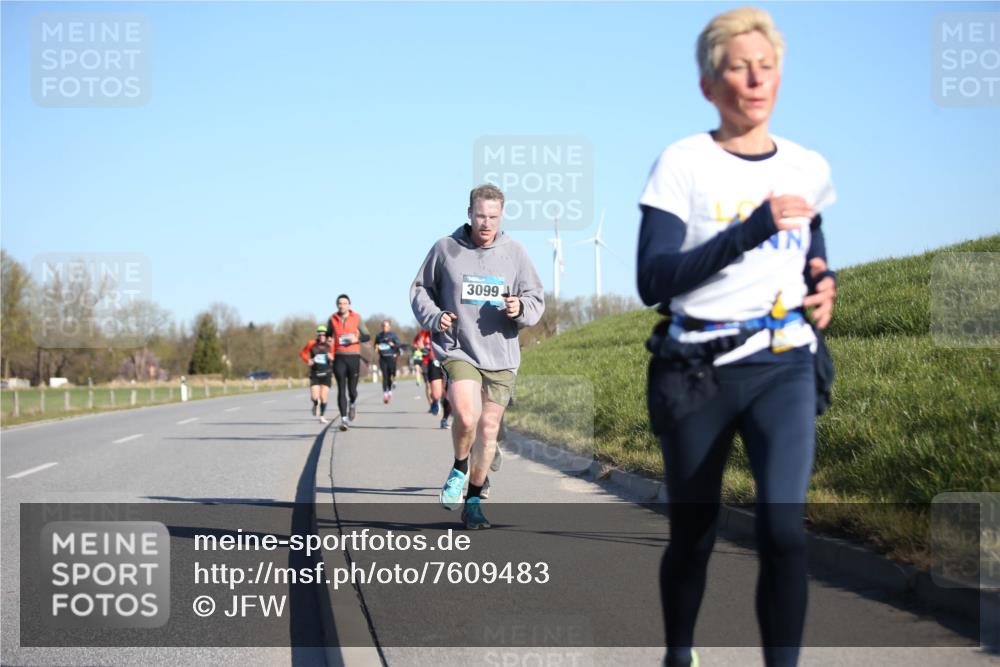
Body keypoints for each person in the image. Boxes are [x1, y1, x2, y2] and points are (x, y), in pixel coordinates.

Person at [636, 8, 837, 667]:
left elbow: (811, 244)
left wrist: (821, 280)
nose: (755, 79)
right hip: (697, 369)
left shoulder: (806, 165)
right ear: (708, 85)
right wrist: (748, 228)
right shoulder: (683, 163)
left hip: (783, 362)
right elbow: (653, 278)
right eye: (737, 68)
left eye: (767, 66)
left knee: (784, 529)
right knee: (694, 532)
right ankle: (679, 652)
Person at [410, 183, 544, 530]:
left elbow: (535, 299)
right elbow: (420, 289)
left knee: (488, 430)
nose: (487, 224)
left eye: (493, 218)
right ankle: (458, 467)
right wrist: (434, 316)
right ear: (469, 213)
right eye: (481, 216)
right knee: (467, 418)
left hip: (501, 355)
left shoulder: (515, 252)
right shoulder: (446, 248)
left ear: (502, 217)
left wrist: (520, 308)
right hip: (459, 348)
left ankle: (473, 500)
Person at [326, 294, 371, 431]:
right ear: (337, 305)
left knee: (352, 390)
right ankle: (344, 420)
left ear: (349, 305)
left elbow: (367, 336)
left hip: (353, 356)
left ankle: (353, 403)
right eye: (340, 303)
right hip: (339, 356)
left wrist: (355, 340)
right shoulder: (332, 319)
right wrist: (329, 341)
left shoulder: (357, 318)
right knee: (341, 388)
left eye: (344, 303)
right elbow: (328, 334)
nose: (342, 306)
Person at [299, 325, 335, 423]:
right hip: (315, 373)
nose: (322, 336)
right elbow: (302, 353)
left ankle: (322, 416)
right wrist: (307, 360)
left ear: (326, 335)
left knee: (323, 397)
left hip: (327, 373)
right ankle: (315, 404)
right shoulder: (311, 343)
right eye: (320, 334)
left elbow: (336, 357)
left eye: (324, 334)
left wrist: (332, 358)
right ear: (317, 334)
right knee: (314, 397)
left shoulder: (331, 345)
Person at [413, 328, 446, 418]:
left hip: (441, 361)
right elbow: (417, 346)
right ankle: (433, 404)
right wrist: (420, 347)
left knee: (444, 386)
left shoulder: (443, 332)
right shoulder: (422, 334)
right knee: (428, 385)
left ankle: (440, 402)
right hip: (426, 362)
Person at [374, 320, 401, 403]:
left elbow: (398, 345)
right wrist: (377, 347)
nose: (384, 327)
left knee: (390, 375)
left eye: (386, 326)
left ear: (389, 327)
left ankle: (390, 388)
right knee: (385, 376)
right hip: (383, 358)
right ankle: (385, 394)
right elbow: (375, 345)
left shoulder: (393, 335)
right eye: (383, 326)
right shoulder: (379, 336)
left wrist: (393, 345)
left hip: (391, 357)